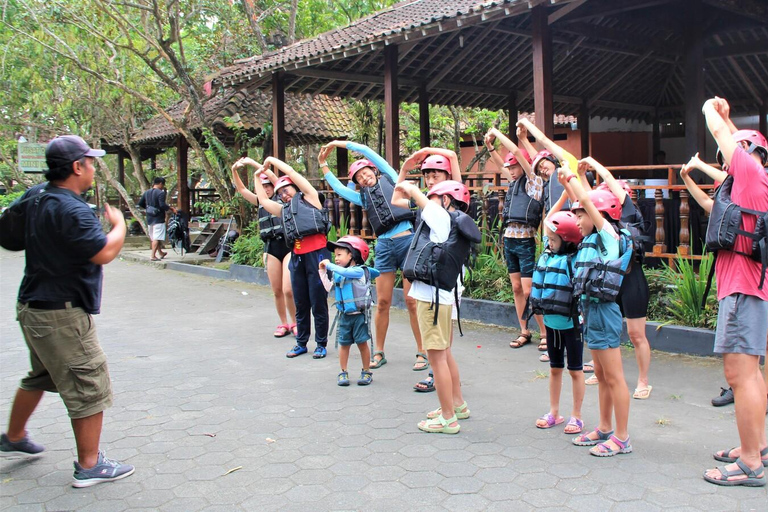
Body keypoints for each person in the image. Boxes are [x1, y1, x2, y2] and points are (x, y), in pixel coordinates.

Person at [0, 135, 134, 487]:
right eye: (90, 163)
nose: (93, 169)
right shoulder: (73, 208)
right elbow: (103, 252)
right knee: (88, 382)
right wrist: (119, 226)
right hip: (61, 314)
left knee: (41, 375)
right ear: (77, 167)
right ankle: (90, 465)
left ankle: (13, 437)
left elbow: (9, 237)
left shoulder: (36, 196)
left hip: (32, 307)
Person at [699, 97, 767, 487]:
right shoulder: (753, 181)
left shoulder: (751, 174)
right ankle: (754, 447)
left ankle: (751, 464)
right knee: (751, 374)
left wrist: (714, 107)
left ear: (747, 152)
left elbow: (717, 128)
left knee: (740, 376)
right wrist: (728, 120)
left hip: (743, 289)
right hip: (748, 286)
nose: (726, 161)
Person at [319, 141, 428, 371]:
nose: (364, 178)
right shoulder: (363, 198)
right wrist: (323, 165)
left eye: (366, 173)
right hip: (385, 246)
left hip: (407, 241)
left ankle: (422, 351)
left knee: (411, 301)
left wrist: (341, 144)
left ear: (374, 171)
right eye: (359, 178)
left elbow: (369, 153)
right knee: (383, 302)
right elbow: (339, 189)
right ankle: (379, 351)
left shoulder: (391, 178)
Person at [392, 180, 480, 434]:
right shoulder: (448, 224)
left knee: (437, 357)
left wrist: (411, 187)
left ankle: (448, 418)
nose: (429, 202)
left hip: (432, 301)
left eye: (435, 197)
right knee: (444, 353)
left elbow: (421, 202)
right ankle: (456, 404)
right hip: (438, 298)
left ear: (447, 201)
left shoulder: (443, 220)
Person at [561, 162, 634, 457]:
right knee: (602, 376)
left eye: (580, 215)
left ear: (598, 215)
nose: (577, 219)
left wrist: (573, 177)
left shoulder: (608, 237)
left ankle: (623, 437)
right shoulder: (591, 238)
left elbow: (589, 201)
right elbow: (585, 201)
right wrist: (569, 183)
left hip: (605, 312)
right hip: (591, 311)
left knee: (614, 377)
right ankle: (605, 427)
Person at [236, 156, 331, 359]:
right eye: (280, 193)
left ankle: (321, 344)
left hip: (317, 255)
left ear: (294, 188)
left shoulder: (311, 197)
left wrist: (271, 160)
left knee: (318, 301)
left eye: (286, 190)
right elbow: (262, 200)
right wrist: (255, 175)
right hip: (298, 257)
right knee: (301, 301)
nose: (284, 195)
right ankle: (301, 343)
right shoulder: (283, 210)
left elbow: (293, 173)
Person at [582, 158, 653, 400]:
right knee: (601, 326)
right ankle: (599, 369)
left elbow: (611, 181)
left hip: (632, 281)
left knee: (636, 334)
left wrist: (593, 163)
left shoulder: (630, 213)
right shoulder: (602, 221)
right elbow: (586, 201)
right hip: (610, 282)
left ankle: (643, 381)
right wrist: (581, 175)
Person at [484, 127, 547, 351]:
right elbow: (501, 161)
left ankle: (544, 333)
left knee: (530, 290)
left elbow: (518, 153)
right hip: (509, 240)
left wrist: (498, 134)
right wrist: (490, 145)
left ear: (523, 165)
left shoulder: (534, 181)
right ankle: (524, 330)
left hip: (525, 241)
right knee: (516, 287)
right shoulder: (512, 181)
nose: (510, 170)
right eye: (509, 167)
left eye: (514, 167)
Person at [530, 203, 585, 434]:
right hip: (552, 324)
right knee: (554, 368)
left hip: (571, 325)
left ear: (568, 239)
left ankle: (577, 416)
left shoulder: (575, 261)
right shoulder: (548, 256)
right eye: (548, 240)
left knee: (575, 370)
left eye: (553, 240)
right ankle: (554, 412)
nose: (549, 244)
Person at [232, 166, 296, 338]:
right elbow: (242, 189)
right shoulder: (260, 201)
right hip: (271, 247)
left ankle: (295, 321)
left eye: (268, 186)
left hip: (288, 246)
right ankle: (284, 323)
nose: (267, 188)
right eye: (263, 186)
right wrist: (234, 171)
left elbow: (276, 179)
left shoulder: (282, 199)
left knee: (288, 289)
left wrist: (256, 166)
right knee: (277, 290)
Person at [319, 236, 380, 386]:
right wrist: (322, 271)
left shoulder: (359, 271)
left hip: (360, 316)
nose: (336, 258)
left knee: (362, 344)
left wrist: (330, 265)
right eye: (335, 255)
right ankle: (343, 372)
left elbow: (345, 272)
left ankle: (366, 371)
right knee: (344, 344)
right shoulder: (339, 272)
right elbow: (328, 287)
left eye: (339, 255)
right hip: (344, 316)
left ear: (352, 255)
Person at [138, 177, 175, 261]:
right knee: (157, 237)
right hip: (158, 218)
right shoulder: (160, 193)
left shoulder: (147, 192)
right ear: (160, 183)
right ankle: (153, 256)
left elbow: (140, 203)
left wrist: (149, 208)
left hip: (149, 217)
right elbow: (162, 205)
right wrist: (170, 208)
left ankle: (160, 252)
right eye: (163, 185)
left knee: (154, 237)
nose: (163, 186)